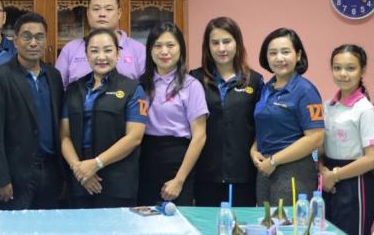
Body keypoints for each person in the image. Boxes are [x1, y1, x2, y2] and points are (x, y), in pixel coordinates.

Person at [0, 12, 64, 209]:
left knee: (48, 226)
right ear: (16, 41)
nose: (33, 43)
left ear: (46, 40)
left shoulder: (53, 75)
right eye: (27, 37)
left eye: (39, 37)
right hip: (15, 175)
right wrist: (0, 178)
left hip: (51, 172)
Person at [60, 28, 147, 208]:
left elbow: (135, 137)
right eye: (94, 51)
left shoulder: (134, 89)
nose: (101, 57)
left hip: (117, 183)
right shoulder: (73, 89)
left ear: (118, 54)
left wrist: (96, 164)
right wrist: (79, 169)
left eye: (108, 50)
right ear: (86, 55)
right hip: (79, 181)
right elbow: (64, 135)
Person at [191, 17, 263, 207]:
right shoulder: (194, 79)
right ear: (207, 47)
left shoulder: (254, 81)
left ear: (237, 43)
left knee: (241, 225)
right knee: (206, 224)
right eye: (215, 43)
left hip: (243, 174)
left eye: (227, 41)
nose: (221, 48)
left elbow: (261, 125)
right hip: (205, 174)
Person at [251, 28, 325, 204]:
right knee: (265, 219)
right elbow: (265, 124)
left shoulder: (306, 91)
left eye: (285, 52)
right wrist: (253, 150)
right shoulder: (266, 88)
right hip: (265, 168)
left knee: (289, 221)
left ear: (298, 55)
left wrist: (274, 161)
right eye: (273, 53)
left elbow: (316, 138)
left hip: (294, 171)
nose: (279, 58)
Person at [137, 23, 208, 207]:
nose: (164, 51)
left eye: (170, 45)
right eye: (158, 46)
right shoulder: (139, 85)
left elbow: (199, 136)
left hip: (178, 161)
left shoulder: (191, 86)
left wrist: (179, 180)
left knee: (177, 217)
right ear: (150, 50)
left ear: (180, 49)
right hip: (145, 160)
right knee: (144, 218)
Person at [320, 45, 374, 235]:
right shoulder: (327, 106)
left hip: (356, 184)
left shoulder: (365, 110)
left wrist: (335, 175)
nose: (343, 74)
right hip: (327, 181)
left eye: (350, 68)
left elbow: (373, 158)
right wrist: (322, 170)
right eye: (337, 68)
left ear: (362, 70)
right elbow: (318, 148)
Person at [55, 0, 146, 88]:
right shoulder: (70, 49)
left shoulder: (139, 50)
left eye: (108, 9)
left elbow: (147, 90)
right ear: (88, 13)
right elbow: (58, 90)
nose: (102, 14)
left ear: (119, 13)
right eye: (96, 9)